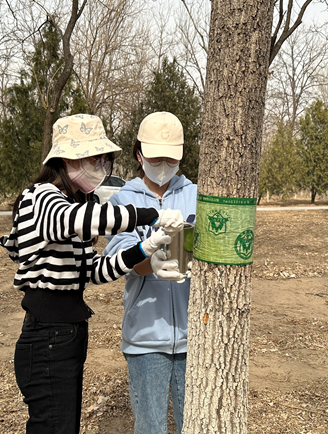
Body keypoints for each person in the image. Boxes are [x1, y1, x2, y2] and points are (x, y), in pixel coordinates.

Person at [0, 113, 185, 434]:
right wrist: (150, 214)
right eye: (92, 159)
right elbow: (76, 220)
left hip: (68, 336)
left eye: (104, 160)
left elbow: (95, 271)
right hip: (46, 338)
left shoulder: (73, 202)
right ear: (64, 159)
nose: (100, 167)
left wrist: (146, 248)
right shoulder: (40, 197)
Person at [104, 112, 195, 434]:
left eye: (171, 159)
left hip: (194, 335)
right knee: (151, 427)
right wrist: (150, 261)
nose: (163, 166)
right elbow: (117, 258)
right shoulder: (123, 201)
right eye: (156, 158)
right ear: (139, 154)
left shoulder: (196, 195)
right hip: (145, 336)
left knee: (194, 424)